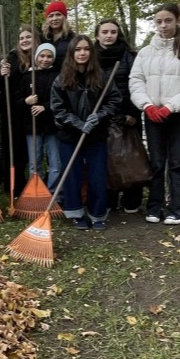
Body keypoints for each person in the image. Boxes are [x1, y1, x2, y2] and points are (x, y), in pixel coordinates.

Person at [129, 3, 180, 225]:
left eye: (168, 20)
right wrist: (147, 106)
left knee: (176, 162)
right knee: (156, 162)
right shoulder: (146, 52)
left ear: (177, 21)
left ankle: (176, 208)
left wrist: (170, 107)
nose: (163, 25)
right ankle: (154, 206)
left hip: (179, 114)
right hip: (153, 114)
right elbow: (136, 81)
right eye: (159, 21)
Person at [51, 35, 121, 231]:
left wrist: (99, 116)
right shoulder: (61, 79)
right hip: (70, 136)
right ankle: (75, 212)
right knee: (72, 176)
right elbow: (58, 109)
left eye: (86, 49)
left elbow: (115, 100)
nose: (82, 53)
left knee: (97, 176)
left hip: (96, 136)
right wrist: (78, 123)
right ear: (71, 54)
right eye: (77, 50)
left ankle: (98, 213)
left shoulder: (102, 77)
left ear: (91, 52)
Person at [95, 18, 143, 214]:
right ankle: (109, 199)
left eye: (113, 32)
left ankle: (132, 199)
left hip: (127, 114)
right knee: (106, 159)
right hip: (102, 116)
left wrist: (133, 112)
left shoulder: (130, 56)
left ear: (118, 34)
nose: (109, 36)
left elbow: (139, 84)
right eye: (104, 32)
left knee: (130, 155)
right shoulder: (90, 56)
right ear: (97, 35)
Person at [0, 24, 37, 196]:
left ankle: (34, 185)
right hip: (13, 111)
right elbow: (3, 87)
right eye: (22, 38)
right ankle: (13, 187)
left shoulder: (40, 57)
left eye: (28, 37)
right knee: (13, 149)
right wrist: (3, 74)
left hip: (32, 111)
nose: (25, 40)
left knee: (28, 152)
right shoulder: (11, 58)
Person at [19, 43, 61, 193]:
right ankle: (36, 192)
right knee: (34, 163)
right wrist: (26, 101)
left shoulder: (58, 76)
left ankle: (53, 194)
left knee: (55, 162)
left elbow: (61, 99)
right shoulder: (27, 77)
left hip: (52, 127)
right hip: (32, 127)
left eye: (49, 56)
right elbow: (17, 100)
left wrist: (46, 107)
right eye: (42, 56)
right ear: (36, 57)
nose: (45, 59)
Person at [41, 0, 75, 72]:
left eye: (58, 14)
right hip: (45, 78)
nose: (54, 18)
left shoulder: (73, 38)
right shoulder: (41, 38)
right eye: (51, 16)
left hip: (65, 77)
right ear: (47, 19)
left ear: (64, 17)